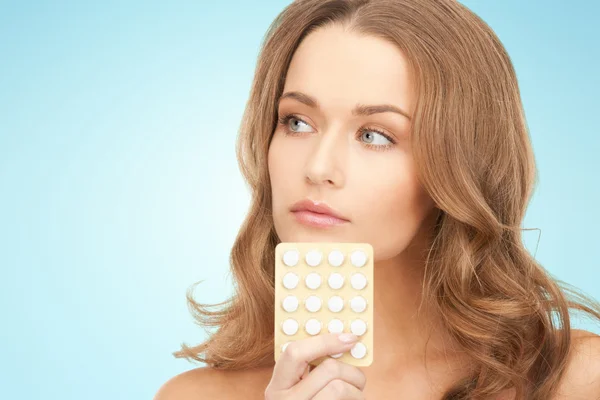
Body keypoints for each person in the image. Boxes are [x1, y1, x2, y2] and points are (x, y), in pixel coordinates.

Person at [154, 0, 600, 398]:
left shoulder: (579, 380)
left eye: (374, 135)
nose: (318, 167)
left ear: (460, 165)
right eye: (296, 122)